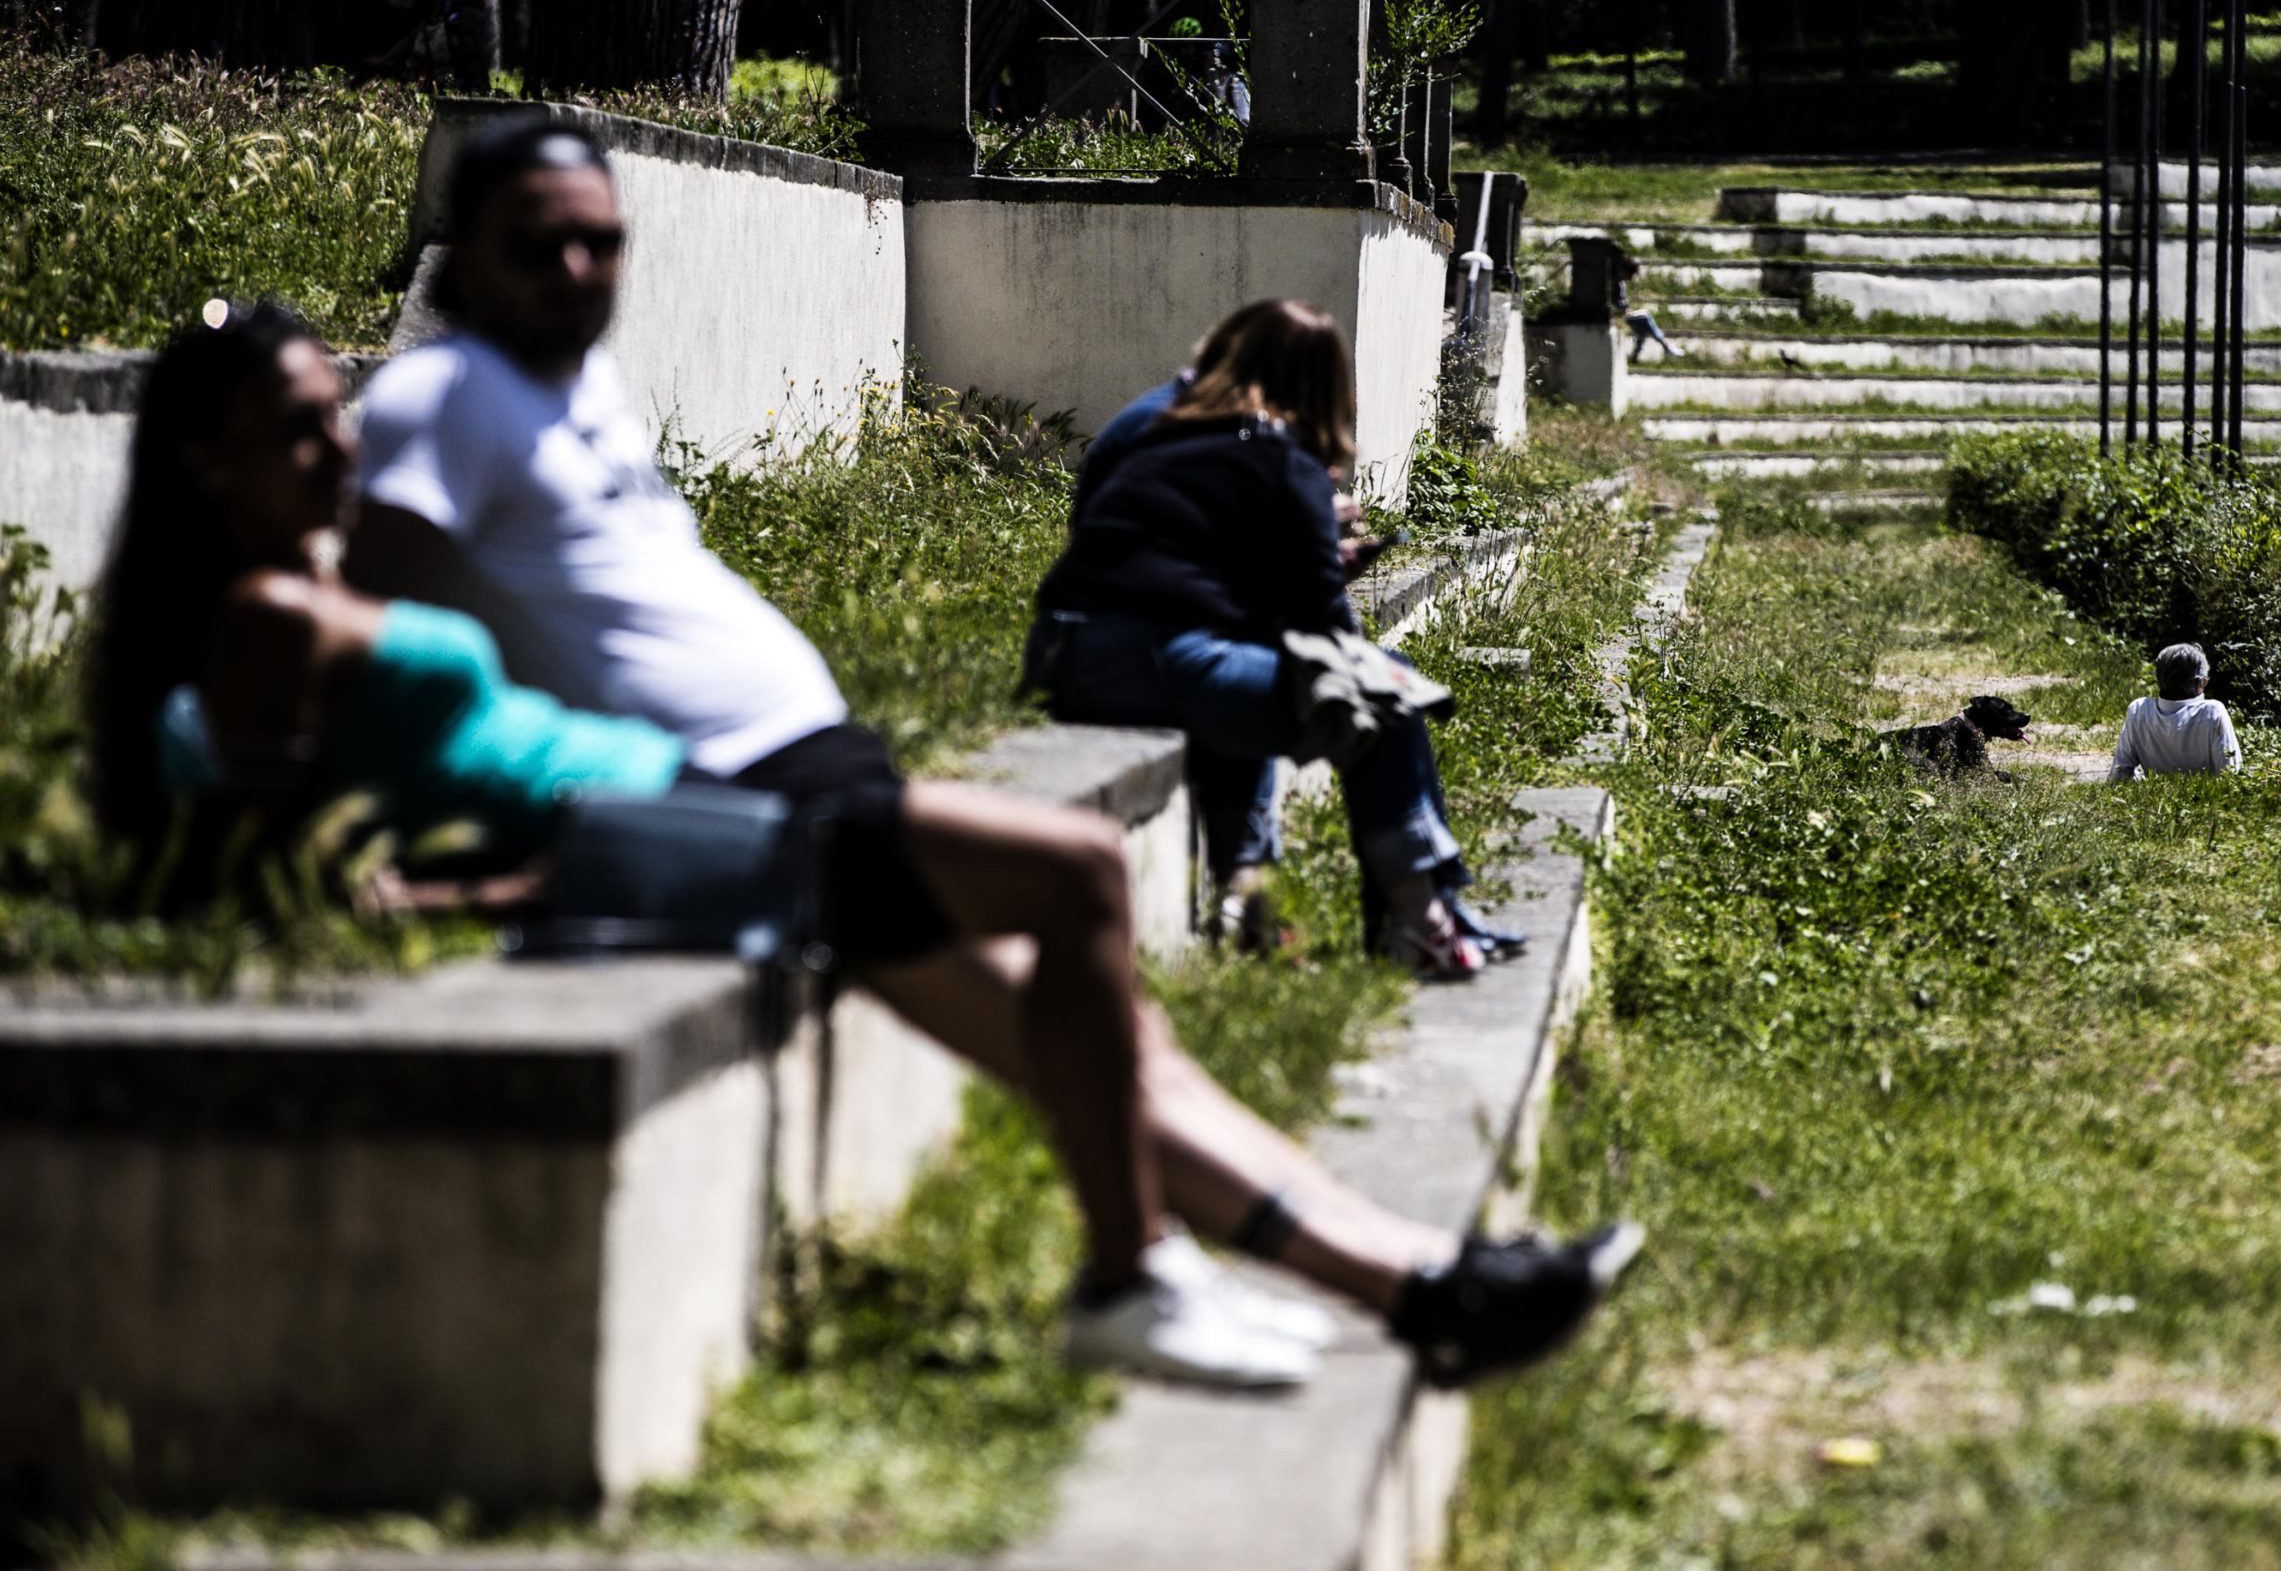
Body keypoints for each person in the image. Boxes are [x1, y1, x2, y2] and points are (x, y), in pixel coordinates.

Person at [313, 114, 1635, 1389]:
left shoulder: (572, 384)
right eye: (537, 242)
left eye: (599, 241)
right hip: (729, 794)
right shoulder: (444, 393)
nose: (575, 269)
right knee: (1075, 873)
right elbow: (372, 633)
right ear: (465, 247)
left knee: (1113, 1042)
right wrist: (454, 837)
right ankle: (1133, 1278)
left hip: (807, 767)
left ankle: (1424, 1284)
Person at [1022, 299, 1512, 979]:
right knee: (1384, 697)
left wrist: (1287, 546)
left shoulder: (1141, 420)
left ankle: (1246, 898)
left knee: (1249, 673)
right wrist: (1315, 544)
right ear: (1320, 389)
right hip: (1161, 655)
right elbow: (1330, 638)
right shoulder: (1282, 450)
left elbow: (1133, 546)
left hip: (1067, 651)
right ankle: (1423, 919)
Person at [2109, 643, 2243, 782]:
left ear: (2158, 683)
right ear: (2199, 683)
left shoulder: (2139, 711)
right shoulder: (2212, 712)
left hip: (2158, 797)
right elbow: (2233, 776)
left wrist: (2142, 782)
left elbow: (2118, 775)